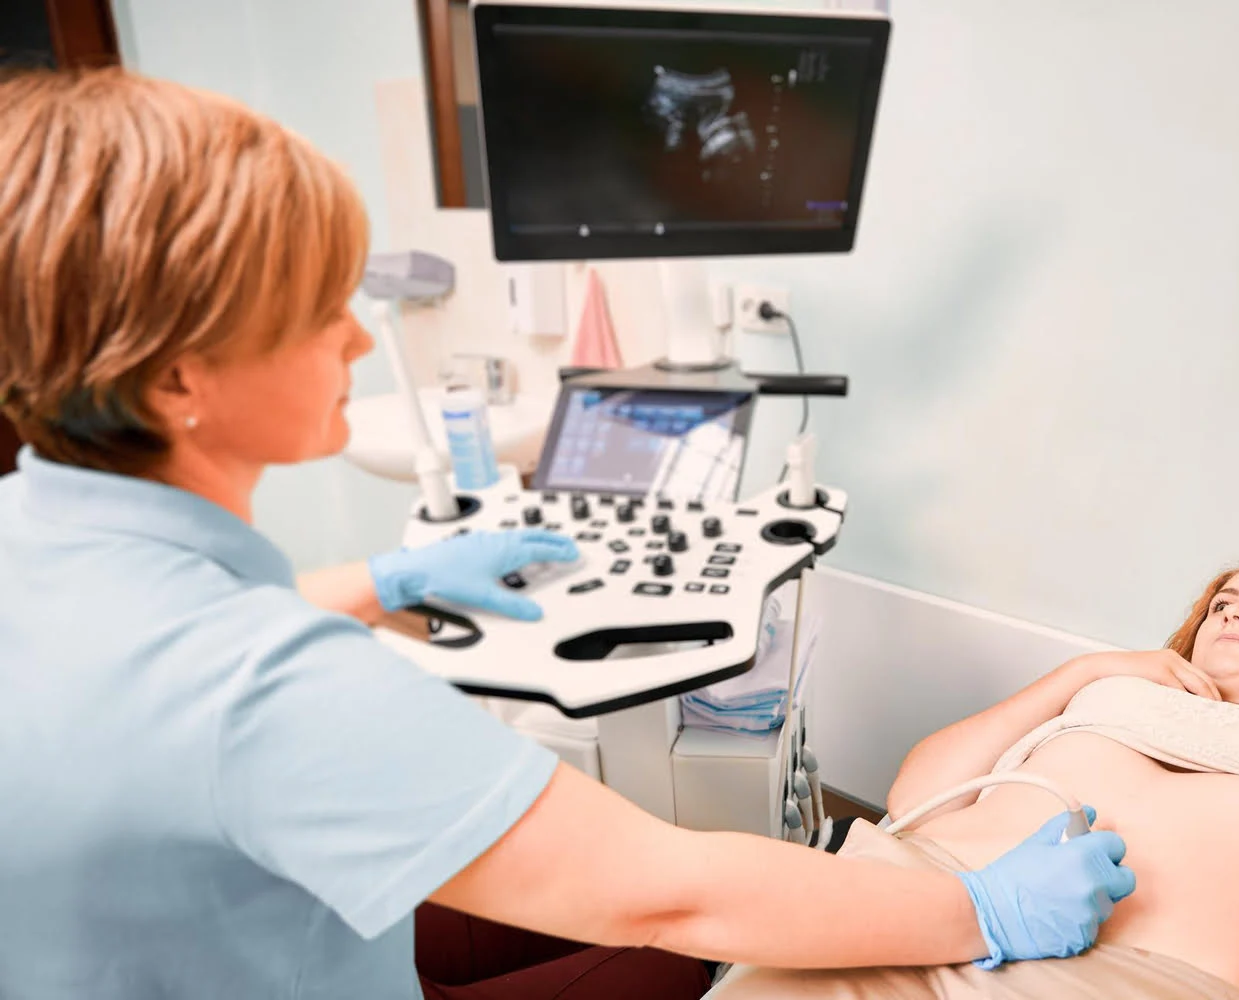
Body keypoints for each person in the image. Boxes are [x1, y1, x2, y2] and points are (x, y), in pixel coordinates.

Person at [0, 68, 1136, 1000]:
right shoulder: (267, 690)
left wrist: (386, 579)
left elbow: (164, 658)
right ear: (177, 380)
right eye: (314, 312)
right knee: (692, 946)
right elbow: (670, 893)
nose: (357, 339)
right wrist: (979, 907)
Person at [710, 552, 1239, 1000]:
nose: (1232, 614)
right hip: (904, 911)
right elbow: (914, 799)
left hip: (1145, 982)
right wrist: (1080, 673)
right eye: (1221, 604)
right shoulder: (1108, 694)